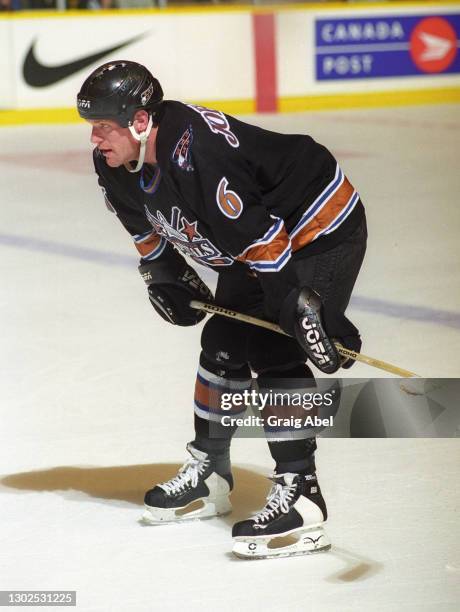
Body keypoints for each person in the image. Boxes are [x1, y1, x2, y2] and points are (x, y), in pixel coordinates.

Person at [77, 60, 367, 560]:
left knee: (273, 346)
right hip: (254, 237)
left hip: (316, 220)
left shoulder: (197, 154)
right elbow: (147, 233)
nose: (95, 138)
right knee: (221, 345)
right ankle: (211, 470)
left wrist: (297, 311)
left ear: (141, 121)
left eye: (104, 126)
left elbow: (267, 243)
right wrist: (162, 274)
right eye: (92, 127)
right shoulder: (112, 165)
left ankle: (305, 497)